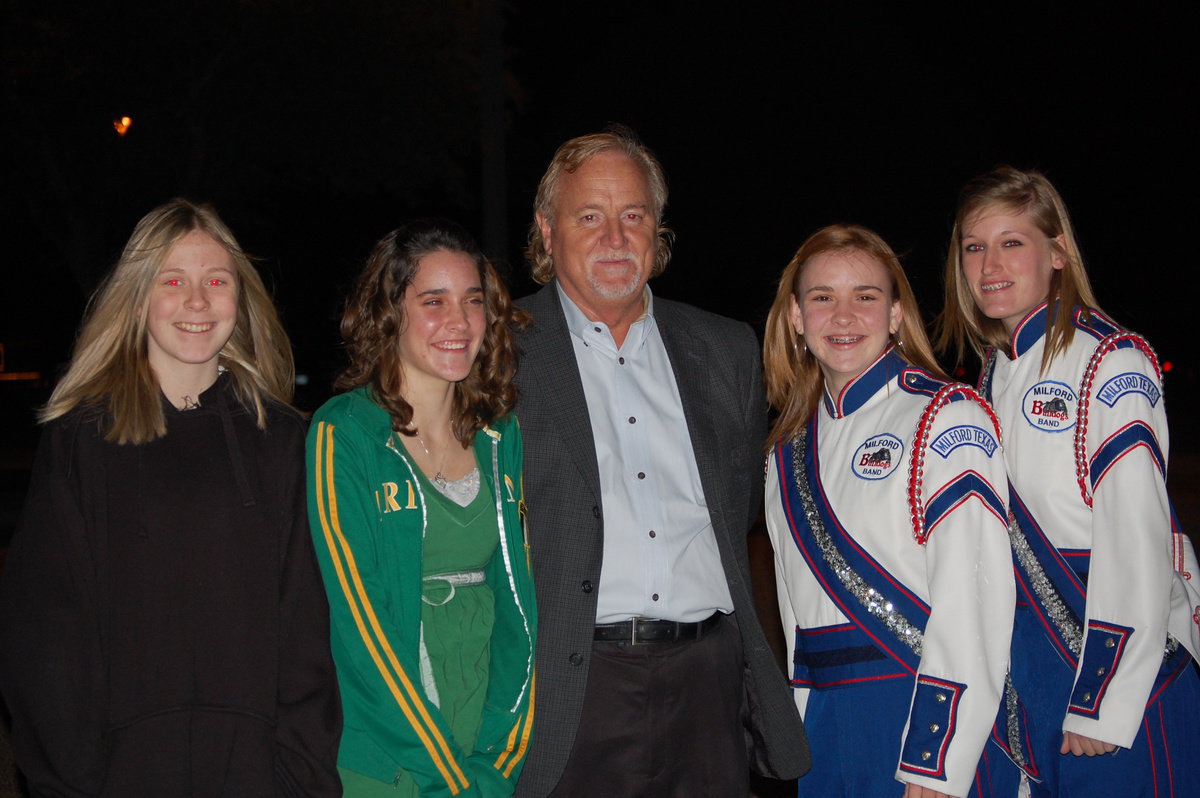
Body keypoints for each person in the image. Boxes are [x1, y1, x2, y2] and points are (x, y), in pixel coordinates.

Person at [0, 199, 342, 796]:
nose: (197, 301)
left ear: (241, 300)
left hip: (259, 776)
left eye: (216, 281)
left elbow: (310, 630)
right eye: (173, 281)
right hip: (116, 776)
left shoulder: (287, 443)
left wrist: (299, 775)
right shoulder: (81, 441)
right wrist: (73, 780)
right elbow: (46, 640)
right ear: (137, 297)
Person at [511, 125, 808, 798]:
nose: (615, 238)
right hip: (570, 689)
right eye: (590, 216)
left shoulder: (726, 350)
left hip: (708, 686)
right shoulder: (500, 350)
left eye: (633, 216)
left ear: (658, 230)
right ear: (547, 230)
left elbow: (742, 514)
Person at [936, 166, 1200, 797]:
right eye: (975, 247)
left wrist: (1104, 697)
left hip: (1110, 672)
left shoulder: (1111, 358)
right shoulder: (991, 374)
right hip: (1034, 669)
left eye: (1012, 242)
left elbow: (1135, 534)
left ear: (1057, 254)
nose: (990, 264)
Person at [762, 224, 1015, 798]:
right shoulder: (785, 449)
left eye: (866, 297)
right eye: (822, 297)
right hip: (824, 724)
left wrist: (936, 754)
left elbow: (975, 597)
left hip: (918, 715)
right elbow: (794, 613)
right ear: (797, 317)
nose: (844, 316)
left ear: (897, 314)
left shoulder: (946, 417)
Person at [306, 219, 535, 797]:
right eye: (433, 301)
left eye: (472, 302)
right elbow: (362, 628)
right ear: (391, 312)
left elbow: (521, 603)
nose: (458, 323)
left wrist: (499, 759)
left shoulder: (499, 433)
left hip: (484, 749)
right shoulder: (346, 433)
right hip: (393, 758)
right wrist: (448, 778)